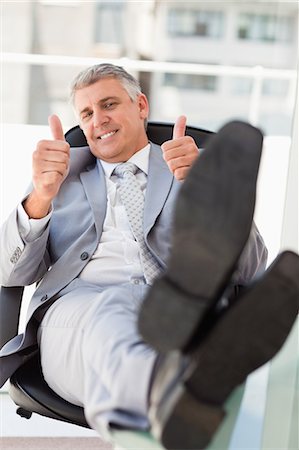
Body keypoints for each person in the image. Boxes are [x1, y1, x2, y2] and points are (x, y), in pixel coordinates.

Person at [0, 63, 298, 450]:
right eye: (86, 114)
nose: (98, 121)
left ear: (140, 105)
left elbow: (250, 269)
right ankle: (181, 392)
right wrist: (40, 196)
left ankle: (156, 413)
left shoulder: (188, 164)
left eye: (109, 105)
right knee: (113, 313)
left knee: (152, 318)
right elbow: (9, 271)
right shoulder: (59, 174)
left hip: (172, 308)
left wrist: (204, 191)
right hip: (79, 315)